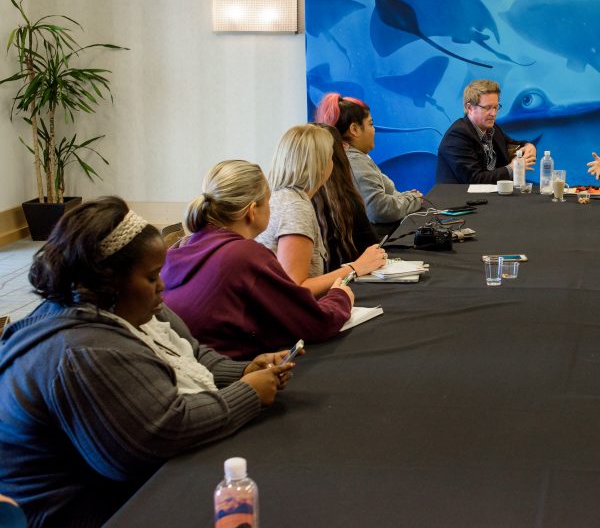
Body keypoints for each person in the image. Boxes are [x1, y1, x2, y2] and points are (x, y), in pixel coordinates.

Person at [0, 197, 294, 528]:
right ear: (108, 280)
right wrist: (248, 394)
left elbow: (191, 352)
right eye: (152, 276)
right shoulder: (83, 351)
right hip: (76, 513)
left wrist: (242, 370)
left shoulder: (125, 306)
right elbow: (159, 434)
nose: (162, 286)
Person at [161, 160, 356, 358]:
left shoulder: (179, 249)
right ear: (252, 211)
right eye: (268, 201)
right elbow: (316, 323)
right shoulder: (245, 255)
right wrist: (340, 297)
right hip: (230, 373)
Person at [255, 124, 385, 297]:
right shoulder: (295, 207)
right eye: (331, 157)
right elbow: (296, 289)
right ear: (322, 164)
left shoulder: (281, 198)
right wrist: (356, 268)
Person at [314, 93, 422, 230]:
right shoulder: (355, 162)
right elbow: (379, 209)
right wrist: (413, 199)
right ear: (354, 129)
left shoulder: (353, 157)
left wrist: (406, 197)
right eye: (370, 124)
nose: (374, 130)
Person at [435, 79, 536, 184]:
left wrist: (528, 145)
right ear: (469, 108)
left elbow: (512, 143)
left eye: (496, 107)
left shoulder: (491, 128)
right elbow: (474, 180)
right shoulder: (457, 136)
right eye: (487, 108)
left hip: (491, 196)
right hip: (460, 198)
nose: (493, 113)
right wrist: (512, 168)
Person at [311, 123, 382, 268]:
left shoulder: (290, 202)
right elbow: (372, 249)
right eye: (370, 123)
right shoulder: (347, 202)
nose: (374, 129)